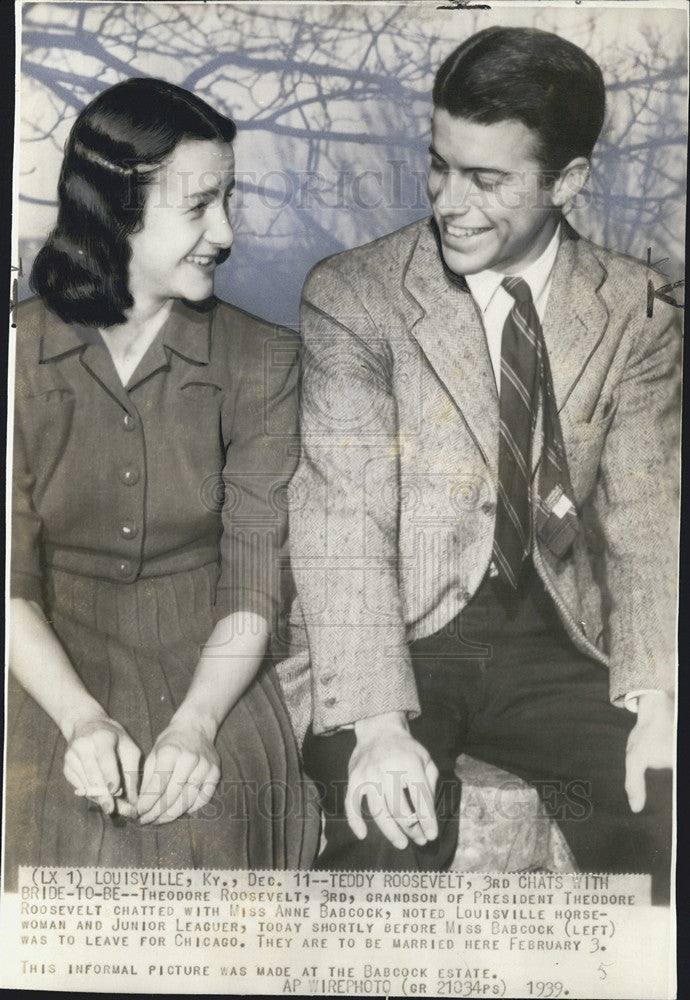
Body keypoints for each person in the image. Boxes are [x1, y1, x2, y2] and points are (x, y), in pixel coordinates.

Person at [283, 27, 678, 899]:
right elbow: (342, 516)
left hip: (559, 632)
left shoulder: (637, 309)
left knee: (666, 811)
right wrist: (379, 725)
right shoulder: (354, 293)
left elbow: (649, 518)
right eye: (440, 164)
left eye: (487, 179)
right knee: (388, 821)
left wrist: (658, 701)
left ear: (567, 181)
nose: (449, 202)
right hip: (405, 633)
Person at [6, 77, 318, 887]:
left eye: (230, 201)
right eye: (199, 206)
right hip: (43, 650)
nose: (226, 232)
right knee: (50, 829)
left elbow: (253, 581)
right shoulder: (17, 352)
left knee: (210, 825)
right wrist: (80, 718)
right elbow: (10, 578)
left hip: (210, 650)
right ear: (115, 210)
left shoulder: (265, 360)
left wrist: (199, 725)